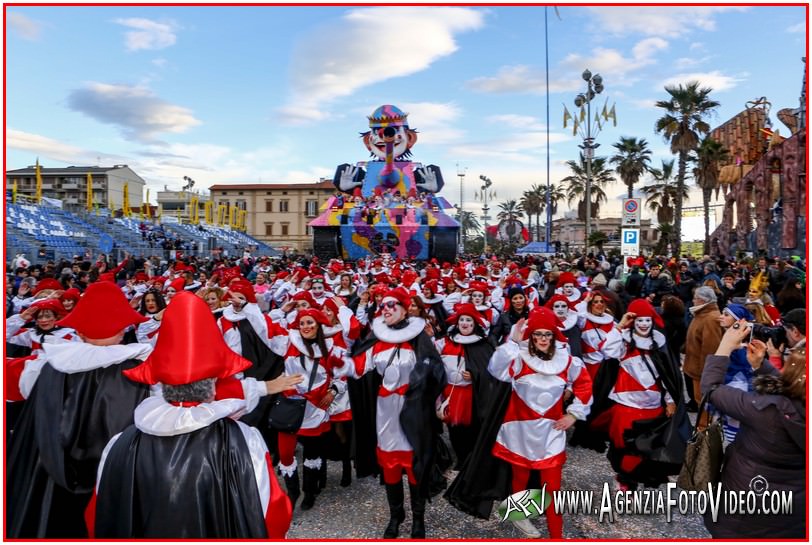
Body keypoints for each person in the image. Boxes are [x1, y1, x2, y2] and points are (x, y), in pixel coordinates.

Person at [92, 292, 297, 538]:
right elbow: (271, 513)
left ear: (162, 384)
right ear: (213, 384)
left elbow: (99, 516)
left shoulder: (118, 445)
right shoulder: (244, 441)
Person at [7, 282, 152, 538]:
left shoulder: (44, 367)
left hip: (49, 483)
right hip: (117, 482)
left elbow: (12, 384)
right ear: (123, 329)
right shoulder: (146, 374)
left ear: (79, 330)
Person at [448, 307, 592, 538]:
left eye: (547, 334)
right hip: (518, 431)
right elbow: (495, 369)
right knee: (519, 478)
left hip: (550, 433)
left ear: (554, 336)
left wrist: (573, 414)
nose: (543, 339)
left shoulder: (568, 362)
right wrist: (513, 342)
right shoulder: (518, 360)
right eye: (537, 334)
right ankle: (519, 515)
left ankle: (557, 536)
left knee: (553, 488)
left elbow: (584, 385)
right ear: (531, 336)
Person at [346, 287, 447, 539]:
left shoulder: (420, 339)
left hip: (414, 412)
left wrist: (436, 401)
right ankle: (396, 515)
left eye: (393, 305)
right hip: (386, 412)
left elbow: (436, 372)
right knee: (390, 465)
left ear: (405, 309)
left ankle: (418, 518)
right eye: (384, 305)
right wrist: (333, 361)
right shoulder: (376, 340)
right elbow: (357, 368)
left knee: (415, 466)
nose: (387, 309)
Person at [700, 322, 805, 538]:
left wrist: (725, 346)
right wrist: (761, 366)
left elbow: (711, 389)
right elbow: (798, 390)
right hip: (795, 511)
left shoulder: (766, 410)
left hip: (746, 506)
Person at [588, 299, 686, 492]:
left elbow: (666, 375)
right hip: (626, 405)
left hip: (653, 405)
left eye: (647, 320)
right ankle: (626, 480)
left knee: (650, 445)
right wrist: (619, 326)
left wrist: (670, 400)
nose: (643, 324)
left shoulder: (659, 343)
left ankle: (647, 475)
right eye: (639, 320)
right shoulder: (623, 341)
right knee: (626, 447)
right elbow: (607, 350)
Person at [433, 303, 496, 470]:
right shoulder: (445, 342)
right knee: (454, 429)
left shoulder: (483, 344)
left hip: (472, 395)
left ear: (474, 324)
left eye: (469, 320)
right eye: (462, 320)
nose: (465, 323)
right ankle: (461, 457)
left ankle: (472, 458)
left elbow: (491, 370)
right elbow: (431, 357)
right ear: (457, 323)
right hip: (450, 393)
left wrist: (475, 375)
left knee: (473, 428)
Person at [682, 286, 723, 427]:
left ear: (702, 300)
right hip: (697, 370)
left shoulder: (710, 319)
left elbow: (711, 349)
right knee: (700, 402)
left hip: (702, 373)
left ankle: (703, 433)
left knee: (704, 404)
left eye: (695, 298)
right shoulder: (702, 314)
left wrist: (706, 375)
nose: (693, 301)